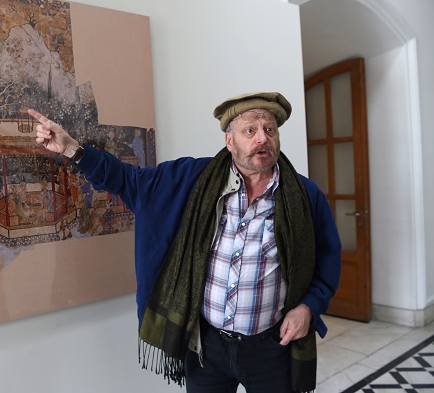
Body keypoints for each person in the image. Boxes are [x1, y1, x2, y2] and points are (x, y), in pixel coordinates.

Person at [28, 91, 342, 393]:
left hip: (273, 346)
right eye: (250, 130)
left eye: (269, 129)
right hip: (205, 347)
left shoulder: (304, 195)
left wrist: (308, 308)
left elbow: (328, 257)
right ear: (229, 141)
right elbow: (128, 180)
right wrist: (72, 149)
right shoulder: (191, 179)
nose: (262, 138)